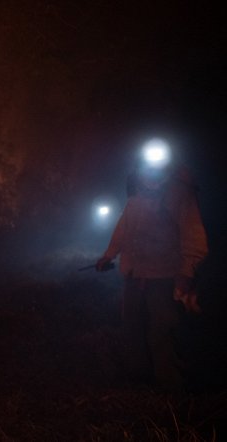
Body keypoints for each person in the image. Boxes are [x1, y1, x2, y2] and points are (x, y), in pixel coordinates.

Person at [95, 139, 208, 391]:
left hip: (164, 276)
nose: (151, 169)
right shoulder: (136, 191)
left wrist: (187, 272)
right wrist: (109, 255)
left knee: (163, 331)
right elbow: (124, 228)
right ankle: (139, 381)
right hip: (135, 274)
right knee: (132, 326)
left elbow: (193, 235)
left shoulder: (179, 193)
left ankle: (171, 388)